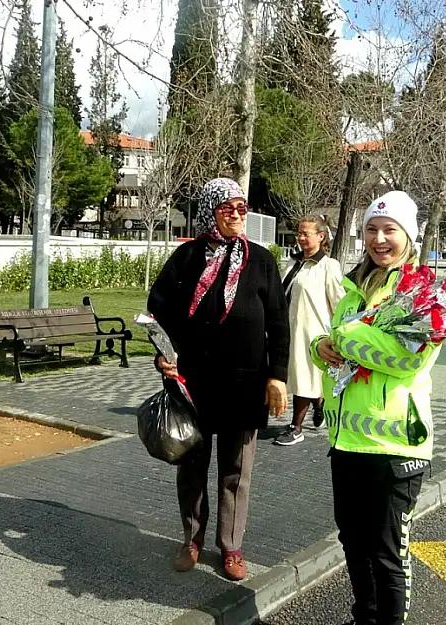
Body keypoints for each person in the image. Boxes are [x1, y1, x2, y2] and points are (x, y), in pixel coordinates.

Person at [147, 178, 290, 582]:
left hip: (245, 385)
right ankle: (192, 539)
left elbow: (279, 323)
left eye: (242, 207)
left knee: (236, 471)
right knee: (191, 465)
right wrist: (164, 354)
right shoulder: (187, 258)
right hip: (193, 383)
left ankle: (231, 547)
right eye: (228, 207)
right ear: (210, 210)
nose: (237, 214)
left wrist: (277, 376)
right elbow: (158, 311)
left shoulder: (260, 261)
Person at [310, 190, 440, 625]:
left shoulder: (422, 293)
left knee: (387, 554)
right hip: (347, 441)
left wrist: (344, 339)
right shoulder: (352, 291)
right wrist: (319, 346)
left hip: (396, 447)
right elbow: (331, 340)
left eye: (390, 230)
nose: (379, 239)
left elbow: (407, 358)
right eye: (371, 229)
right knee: (353, 542)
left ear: (409, 236)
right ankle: (363, 617)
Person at [274, 215, 345, 446]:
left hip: (313, 333)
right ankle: (319, 403)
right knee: (299, 376)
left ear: (321, 236)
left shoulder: (328, 266)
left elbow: (339, 303)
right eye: (300, 233)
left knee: (304, 376)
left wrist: (339, 334)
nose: (301, 238)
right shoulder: (293, 264)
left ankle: (296, 427)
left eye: (307, 233)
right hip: (289, 329)